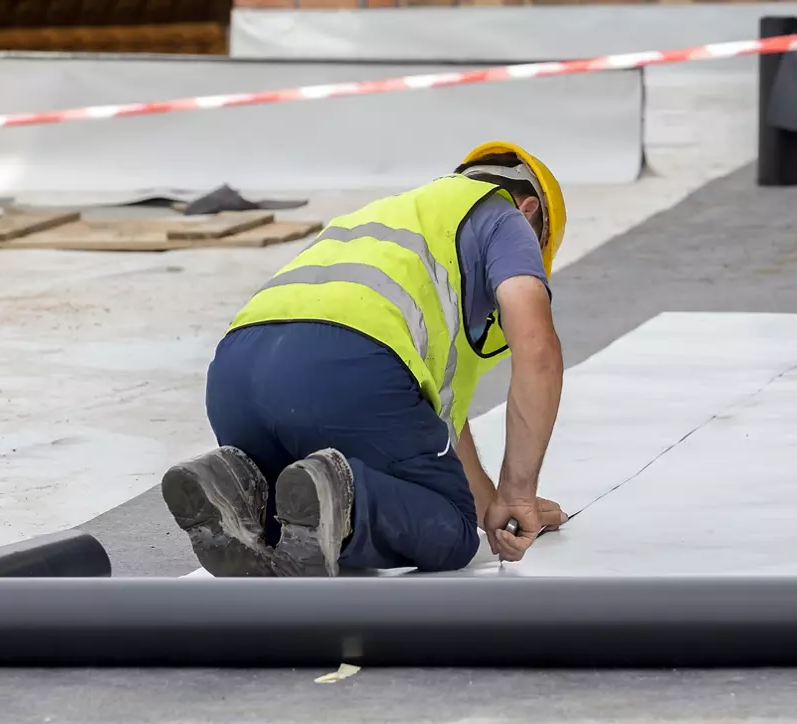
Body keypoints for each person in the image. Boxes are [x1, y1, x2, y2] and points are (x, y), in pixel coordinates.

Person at [160, 141, 569, 577]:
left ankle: (236, 483)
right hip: (348, 364)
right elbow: (538, 351)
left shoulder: (384, 219)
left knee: (298, 516)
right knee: (448, 531)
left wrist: (499, 512)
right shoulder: (506, 216)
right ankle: (339, 495)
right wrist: (520, 496)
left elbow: (442, 434)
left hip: (236, 372)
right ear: (529, 212)